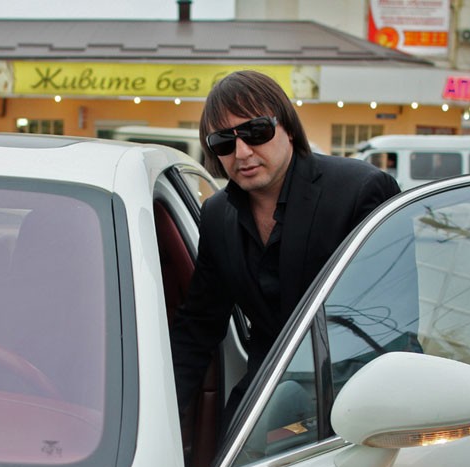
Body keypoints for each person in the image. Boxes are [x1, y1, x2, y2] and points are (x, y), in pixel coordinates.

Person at [171, 70, 401, 429]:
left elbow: (391, 321)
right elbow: (199, 325)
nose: (242, 152)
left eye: (255, 131)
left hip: (359, 397)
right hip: (268, 396)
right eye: (224, 142)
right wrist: (157, 415)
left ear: (288, 127)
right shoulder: (217, 215)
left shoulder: (361, 190)